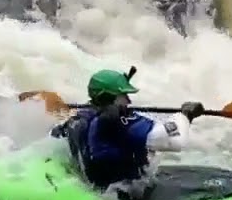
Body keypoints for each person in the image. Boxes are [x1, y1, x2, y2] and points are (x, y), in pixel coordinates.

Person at [51, 67, 205, 193]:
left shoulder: (80, 118)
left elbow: (54, 136)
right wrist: (186, 115)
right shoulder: (118, 122)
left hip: (99, 190)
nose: (129, 101)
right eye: (124, 95)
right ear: (109, 98)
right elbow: (175, 142)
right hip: (127, 194)